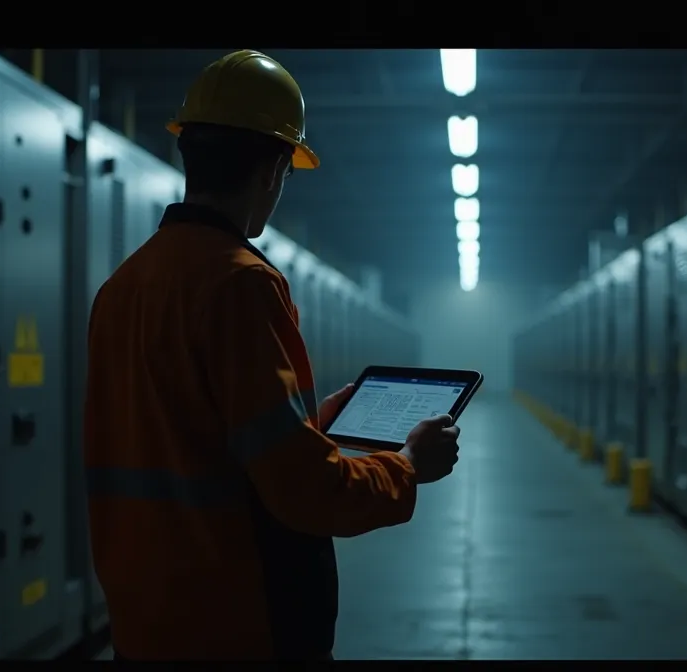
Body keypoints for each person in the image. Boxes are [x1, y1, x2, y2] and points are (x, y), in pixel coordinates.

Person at [82, 50, 463, 662]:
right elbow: (305, 493)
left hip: (147, 617)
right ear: (272, 170)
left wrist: (313, 424)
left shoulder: (124, 285)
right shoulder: (241, 283)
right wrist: (409, 465)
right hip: (233, 621)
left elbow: (193, 438)